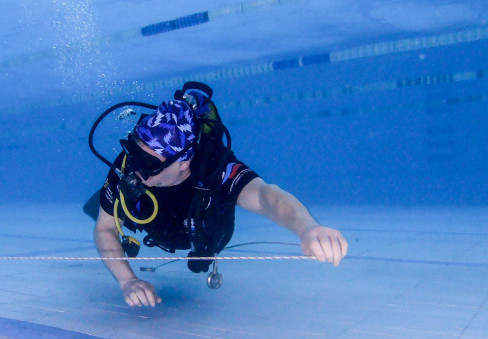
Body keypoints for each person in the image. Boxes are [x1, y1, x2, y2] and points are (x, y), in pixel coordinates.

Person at [92, 82, 348, 307]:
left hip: (209, 234)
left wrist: (307, 228)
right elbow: (105, 228)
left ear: (183, 162)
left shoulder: (214, 166)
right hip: (159, 230)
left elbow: (266, 196)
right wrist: (128, 281)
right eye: (133, 152)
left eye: (148, 162)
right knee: (108, 201)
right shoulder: (127, 166)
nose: (135, 167)